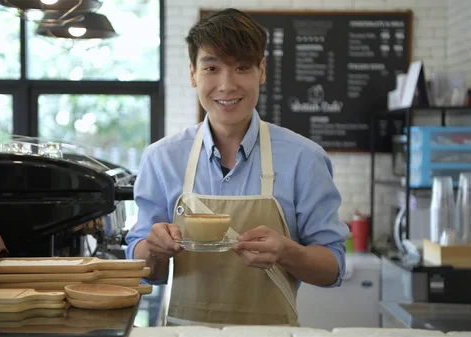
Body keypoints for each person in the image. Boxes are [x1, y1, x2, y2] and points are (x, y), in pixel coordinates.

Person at [125, 8, 350, 327]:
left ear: (261, 70)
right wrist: (154, 248)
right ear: (193, 74)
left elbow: (333, 269)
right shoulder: (162, 158)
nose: (227, 85)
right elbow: (145, 269)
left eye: (241, 67)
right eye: (212, 68)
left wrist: (286, 252)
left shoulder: (304, 158)